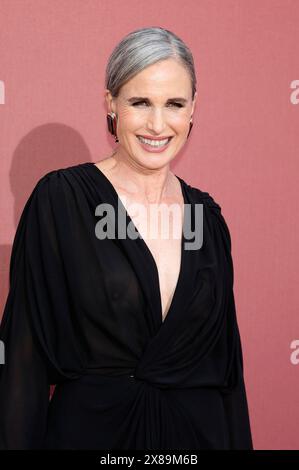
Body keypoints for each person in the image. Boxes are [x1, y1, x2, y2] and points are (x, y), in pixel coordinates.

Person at [0, 26, 253, 449]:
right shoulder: (62, 201)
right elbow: (23, 364)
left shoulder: (206, 219)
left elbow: (228, 375)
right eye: (140, 102)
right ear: (111, 103)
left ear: (193, 109)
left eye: (174, 103)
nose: (158, 124)